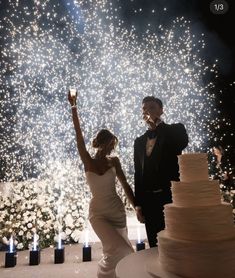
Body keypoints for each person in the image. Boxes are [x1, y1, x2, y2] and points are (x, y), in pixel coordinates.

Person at [68, 92, 135, 278]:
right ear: (102, 142)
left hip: (117, 212)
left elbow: (125, 185)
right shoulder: (87, 160)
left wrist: (136, 205)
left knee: (116, 252)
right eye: (109, 144)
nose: (111, 148)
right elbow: (79, 137)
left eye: (113, 146)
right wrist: (74, 107)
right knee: (122, 249)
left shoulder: (114, 161)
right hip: (98, 214)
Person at [134, 96, 188, 248]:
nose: (147, 111)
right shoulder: (139, 142)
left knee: (174, 242)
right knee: (154, 244)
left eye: (151, 107)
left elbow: (181, 142)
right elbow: (138, 173)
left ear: (161, 110)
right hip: (149, 201)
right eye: (144, 109)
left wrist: (158, 124)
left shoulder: (175, 129)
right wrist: (138, 204)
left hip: (170, 197)